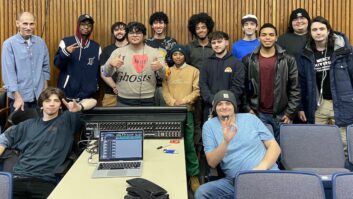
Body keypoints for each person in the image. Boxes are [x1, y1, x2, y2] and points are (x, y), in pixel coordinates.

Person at [0, 87, 97, 198]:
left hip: (45, 181)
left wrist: (79, 107)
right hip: (18, 178)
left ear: (61, 105)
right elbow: (3, 139)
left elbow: (93, 101)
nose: (52, 104)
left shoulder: (67, 120)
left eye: (56, 101)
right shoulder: (27, 125)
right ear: (41, 105)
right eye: (47, 101)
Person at [195, 90, 281, 199]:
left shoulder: (251, 119)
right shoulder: (209, 126)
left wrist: (260, 169)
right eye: (219, 104)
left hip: (266, 174)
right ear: (214, 108)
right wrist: (225, 142)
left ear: (234, 106)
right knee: (202, 193)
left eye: (228, 103)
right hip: (235, 182)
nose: (224, 107)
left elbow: (275, 147)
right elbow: (212, 162)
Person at [297, 16, 353, 151]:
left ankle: (345, 172)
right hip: (318, 105)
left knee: (344, 144)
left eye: (322, 29)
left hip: (342, 104)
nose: (318, 32)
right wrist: (300, 107)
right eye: (314, 29)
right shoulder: (305, 55)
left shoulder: (345, 52)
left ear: (328, 31)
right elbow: (301, 83)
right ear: (310, 32)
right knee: (317, 143)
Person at [242, 23, 300, 142]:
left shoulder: (288, 59)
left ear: (276, 37)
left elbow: (295, 88)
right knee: (261, 151)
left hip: (282, 114)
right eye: (264, 35)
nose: (267, 37)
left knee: (283, 150)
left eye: (271, 35)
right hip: (257, 114)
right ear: (259, 38)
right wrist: (247, 109)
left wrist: (290, 113)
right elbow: (242, 87)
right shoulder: (249, 59)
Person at [162, 45, 200, 192]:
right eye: (175, 54)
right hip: (171, 113)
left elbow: (197, 91)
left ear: (185, 56)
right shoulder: (167, 71)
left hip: (187, 112)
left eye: (180, 54)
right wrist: (172, 103)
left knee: (189, 144)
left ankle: (194, 175)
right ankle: (173, 174)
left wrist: (183, 101)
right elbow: (164, 90)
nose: (178, 57)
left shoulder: (194, 71)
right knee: (171, 145)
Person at [102, 21, 167, 106]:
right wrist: (110, 64)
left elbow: (165, 75)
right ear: (127, 35)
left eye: (138, 33)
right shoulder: (117, 52)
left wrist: (161, 68)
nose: (135, 35)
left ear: (144, 35)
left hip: (148, 99)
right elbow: (105, 73)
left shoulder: (154, 52)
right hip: (123, 100)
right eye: (131, 33)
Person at [2, 12, 50, 113]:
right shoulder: (9, 44)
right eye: (25, 23)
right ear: (17, 24)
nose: (28, 27)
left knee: (39, 128)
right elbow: (9, 73)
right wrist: (17, 97)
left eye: (31, 24)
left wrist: (44, 94)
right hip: (20, 99)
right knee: (22, 128)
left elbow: (45, 69)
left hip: (39, 98)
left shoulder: (41, 42)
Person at [54, 14, 101, 101]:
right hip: (67, 93)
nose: (86, 27)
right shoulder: (66, 41)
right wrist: (66, 52)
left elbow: (98, 70)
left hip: (88, 95)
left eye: (89, 25)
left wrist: (94, 86)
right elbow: (57, 64)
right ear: (78, 25)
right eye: (83, 24)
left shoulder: (96, 47)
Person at [200, 31, 245, 121]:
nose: (216, 45)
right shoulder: (206, 63)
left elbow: (238, 87)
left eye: (219, 42)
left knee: (231, 135)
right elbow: (203, 85)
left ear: (227, 42)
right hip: (211, 107)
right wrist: (213, 100)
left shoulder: (237, 63)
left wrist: (225, 102)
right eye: (213, 43)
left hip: (230, 107)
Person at [186, 12, 215, 146]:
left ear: (208, 28)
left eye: (203, 27)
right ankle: (197, 150)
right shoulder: (190, 48)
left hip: (212, 89)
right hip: (194, 90)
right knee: (196, 121)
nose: (201, 30)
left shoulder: (215, 46)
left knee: (210, 120)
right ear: (194, 30)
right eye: (197, 28)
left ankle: (209, 148)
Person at [146, 11, 177, 106]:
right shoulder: (147, 42)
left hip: (167, 83)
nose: (158, 26)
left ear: (165, 25)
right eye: (155, 23)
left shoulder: (172, 42)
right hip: (149, 83)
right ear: (152, 26)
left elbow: (175, 62)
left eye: (161, 23)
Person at [100, 22, 128, 106]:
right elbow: (103, 72)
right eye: (116, 30)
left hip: (131, 94)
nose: (119, 32)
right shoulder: (107, 50)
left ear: (126, 31)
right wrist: (115, 87)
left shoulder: (133, 47)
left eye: (122, 29)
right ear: (113, 33)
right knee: (108, 119)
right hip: (110, 94)